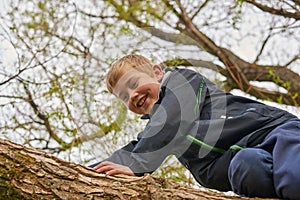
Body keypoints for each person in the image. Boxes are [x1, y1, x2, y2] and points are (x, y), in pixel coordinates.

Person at [90, 54, 300, 199]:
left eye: (134, 84)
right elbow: (135, 150)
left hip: (273, 132)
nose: (132, 95)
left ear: (157, 73)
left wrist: (138, 165)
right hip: (246, 155)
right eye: (124, 97)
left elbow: (170, 122)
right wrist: (91, 172)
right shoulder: (155, 135)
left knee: (293, 177)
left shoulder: (182, 82)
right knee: (245, 167)